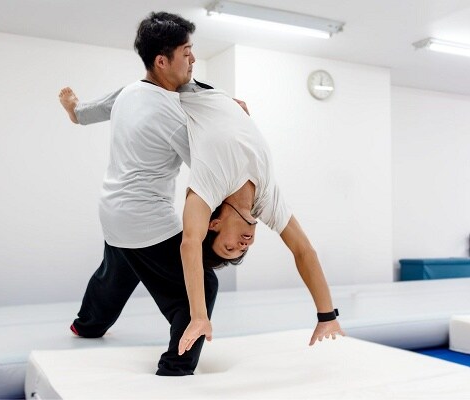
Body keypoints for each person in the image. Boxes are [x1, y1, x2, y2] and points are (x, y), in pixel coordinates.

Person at [60, 56, 345, 360]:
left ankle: (100, 330)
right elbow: (303, 250)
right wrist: (326, 314)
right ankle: (91, 324)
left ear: (214, 224)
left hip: (184, 119)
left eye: (229, 247)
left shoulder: (209, 185)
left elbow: (190, 243)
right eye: (239, 251)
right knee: (122, 262)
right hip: (202, 116)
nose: (243, 246)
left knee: (121, 264)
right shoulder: (267, 200)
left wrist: (198, 316)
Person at [65, 11, 225, 377]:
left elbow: (90, 112)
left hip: (112, 210)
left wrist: (74, 109)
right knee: (201, 284)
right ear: (162, 61)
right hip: (144, 218)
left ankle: (86, 325)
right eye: (186, 52)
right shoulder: (172, 115)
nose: (193, 59)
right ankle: (176, 367)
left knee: (117, 272)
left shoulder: (129, 92)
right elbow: (209, 169)